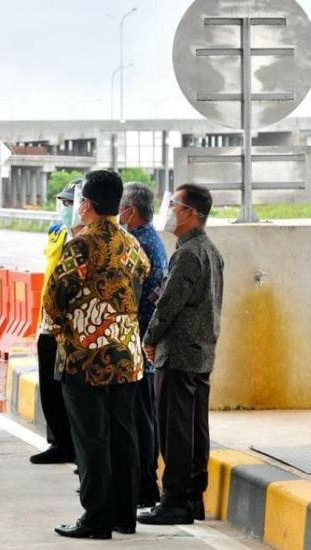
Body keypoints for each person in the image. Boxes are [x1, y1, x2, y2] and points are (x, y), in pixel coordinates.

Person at [44, 169, 150, 540]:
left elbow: (54, 297)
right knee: (124, 435)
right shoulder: (130, 243)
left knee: (91, 439)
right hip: (126, 357)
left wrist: (65, 332)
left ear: (86, 205)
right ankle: (124, 514)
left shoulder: (81, 244)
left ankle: (96, 518)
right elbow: (144, 275)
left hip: (84, 358)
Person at [138, 184, 224, 525]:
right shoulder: (209, 250)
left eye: (173, 204)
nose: (169, 210)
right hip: (200, 351)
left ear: (190, 213)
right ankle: (191, 498)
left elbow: (168, 303)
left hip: (178, 353)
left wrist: (150, 337)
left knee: (175, 431)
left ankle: (175, 500)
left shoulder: (189, 253)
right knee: (194, 429)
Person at [119, 183, 169, 507]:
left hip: (139, 345)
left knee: (139, 420)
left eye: (122, 207)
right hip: (144, 346)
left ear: (131, 211)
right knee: (144, 419)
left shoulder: (137, 243)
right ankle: (143, 484)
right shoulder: (153, 240)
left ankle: (144, 485)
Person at [29, 180, 82, 465]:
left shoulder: (89, 241)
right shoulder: (58, 233)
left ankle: (73, 444)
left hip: (73, 328)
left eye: (70, 203)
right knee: (49, 386)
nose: (64, 208)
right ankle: (58, 442)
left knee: (72, 391)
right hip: (49, 322)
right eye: (63, 202)